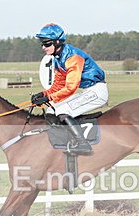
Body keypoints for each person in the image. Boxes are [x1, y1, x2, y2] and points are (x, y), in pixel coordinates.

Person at [30, 23, 108, 155]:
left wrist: (48, 97)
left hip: (97, 92)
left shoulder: (72, 57)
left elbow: (71, 87)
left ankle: (82, 144)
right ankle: (63, 140)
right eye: (42, 44)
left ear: (58, 42)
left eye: (47, 44)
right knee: (51, 109)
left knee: (62, 110)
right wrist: (43, 94)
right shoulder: (57, 59)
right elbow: (59, 85)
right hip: (88, 91)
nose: (43, 47)